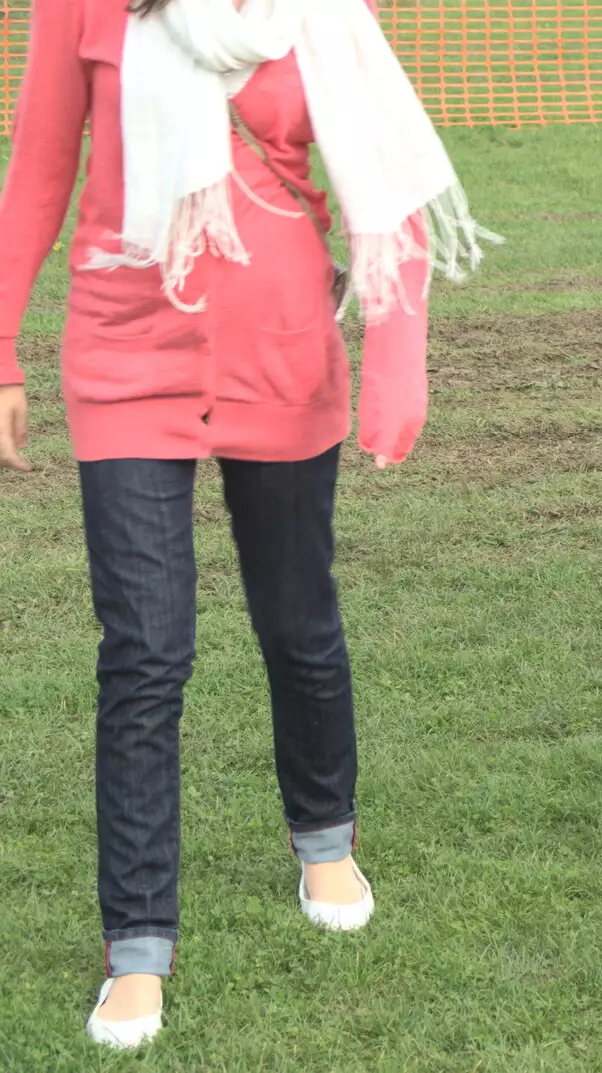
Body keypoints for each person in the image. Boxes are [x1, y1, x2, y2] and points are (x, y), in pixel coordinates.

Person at [0, 0, 496, 1048]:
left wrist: (395, 361)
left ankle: (323, 837)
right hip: (126, 355)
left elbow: (382, 181)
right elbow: (41, 167)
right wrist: (0, 339)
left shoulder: (322, 11)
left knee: (298, 622)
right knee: (143, 651)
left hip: (283, 354)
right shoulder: (80, 6)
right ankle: (135, 945)